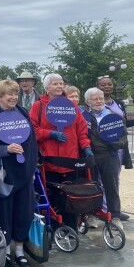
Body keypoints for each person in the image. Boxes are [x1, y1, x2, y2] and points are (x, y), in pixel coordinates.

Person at [0, 80, 38, 267]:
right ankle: (4, 253)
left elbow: (32, 144)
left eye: (15, 94)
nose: (13, 97)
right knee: (3, 213)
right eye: (9, 94)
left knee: (23, 212)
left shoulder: (23, 113)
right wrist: (5, 149)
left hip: (24, 172)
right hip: (2, 175)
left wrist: (32, 168)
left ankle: (19, 251)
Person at [29, 73, 91, 231]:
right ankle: (55, 228)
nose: (59, 87)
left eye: (61, 83)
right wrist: (50, 134)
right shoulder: (38, 106)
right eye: (55, 84)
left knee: (70, 196)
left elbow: (82, 130)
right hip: (50, 161)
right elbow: (32, 130)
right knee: (53, 196)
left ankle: (71, 227)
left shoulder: (71, 106)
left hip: (71, 160)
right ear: (47, 87)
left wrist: (86, 147)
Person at [96, 76, 134, 221]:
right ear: (98, 87)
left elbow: (123, 124)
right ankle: (102, 209)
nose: (107, 87)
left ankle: (114, 209)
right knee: (100, 180)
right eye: (103, 85)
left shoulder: (119, 104)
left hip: (118, 147)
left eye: (109, 84)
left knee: (115, 179)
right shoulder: (95, 104)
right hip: (101, 148)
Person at [83, 87, 127, 230]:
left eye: (100, 98)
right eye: (94, 99)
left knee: (111, 187)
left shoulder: (114, 114)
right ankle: (92, 215)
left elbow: (124, 136)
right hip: (91, 156)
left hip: (109, 155)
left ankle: (115, 217)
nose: (98, 101)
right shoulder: (84, 117)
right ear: (87, 102)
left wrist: (115, 144)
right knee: (92, 187)